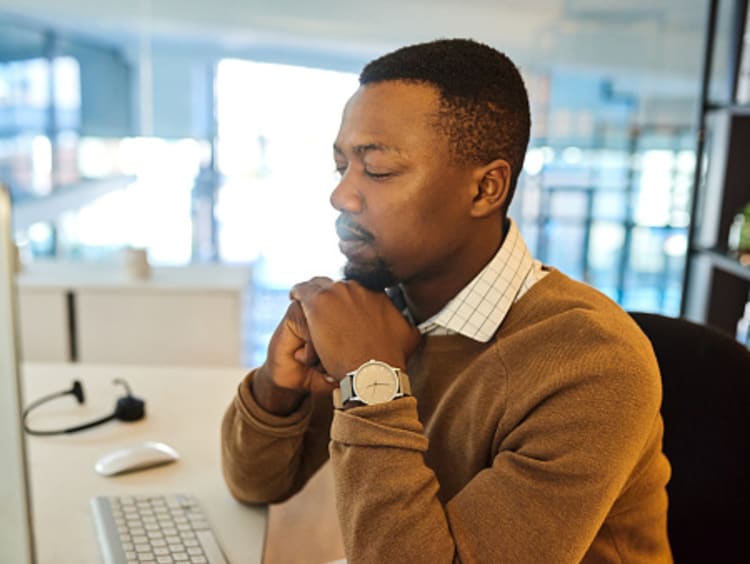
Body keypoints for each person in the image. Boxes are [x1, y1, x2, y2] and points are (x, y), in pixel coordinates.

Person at [221, 38, 672, 563]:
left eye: (379, 170)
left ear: (486, 189)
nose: (341, 196)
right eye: (341, 165)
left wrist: (373, 382)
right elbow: (254, 484)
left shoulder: (593, 364)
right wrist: (278, 389)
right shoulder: (387, 304)